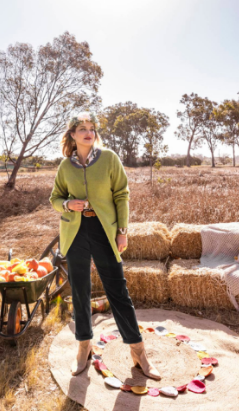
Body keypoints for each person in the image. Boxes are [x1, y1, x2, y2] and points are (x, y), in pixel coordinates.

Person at [49, 111, 161, 380]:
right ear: (73, 135)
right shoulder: (65, 166)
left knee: (117, 291)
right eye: (82, 128)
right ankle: (84, 346)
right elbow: (55, 198)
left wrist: (122, 232)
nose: (89, 132)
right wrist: (67, 204)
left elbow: (122, 194)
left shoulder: (109, 158)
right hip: (75, 232)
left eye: (92, 128)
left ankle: (138, 351)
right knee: (80, 292)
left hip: (104, 231)